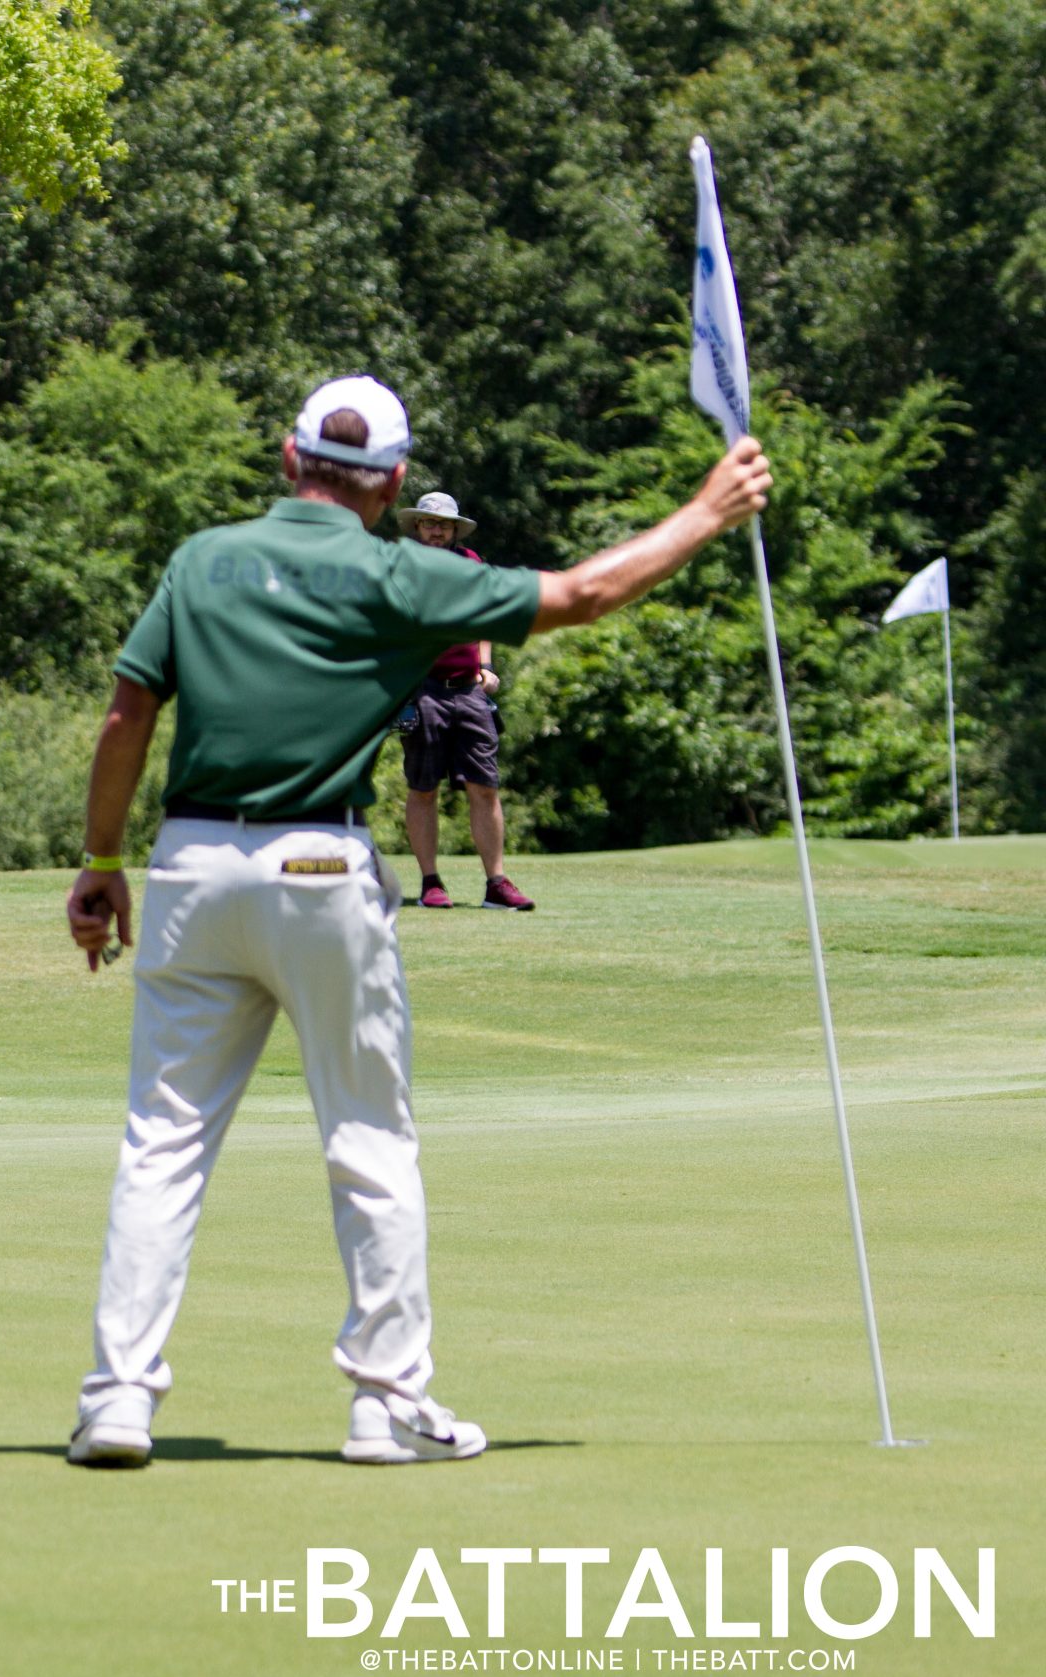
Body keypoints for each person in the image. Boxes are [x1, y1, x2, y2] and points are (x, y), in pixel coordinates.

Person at [61, 376, 770, 1468]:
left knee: (162, 1147)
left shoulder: (201, 558)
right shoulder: (401, 572)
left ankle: (116, 1403)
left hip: (189, 866)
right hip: (319, 867)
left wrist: (102, 861)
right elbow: (582, 593)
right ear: (391, 484)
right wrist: (707, 510)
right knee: (368, 1140)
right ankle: (385, 1406)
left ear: (288, 458)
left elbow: (127, 713)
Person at [396, 491, 532, 910]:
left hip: (468, 690)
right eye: (429, 522)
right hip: (423, 690)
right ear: (418, 527)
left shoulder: (471, 563)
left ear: (455, 529)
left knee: (485, 787)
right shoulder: (402, 564)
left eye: (444, 524)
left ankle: (496, 883)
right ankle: (430, 882)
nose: (436, 529)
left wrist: (486, 666)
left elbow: (484, 617)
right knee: (423, 789)